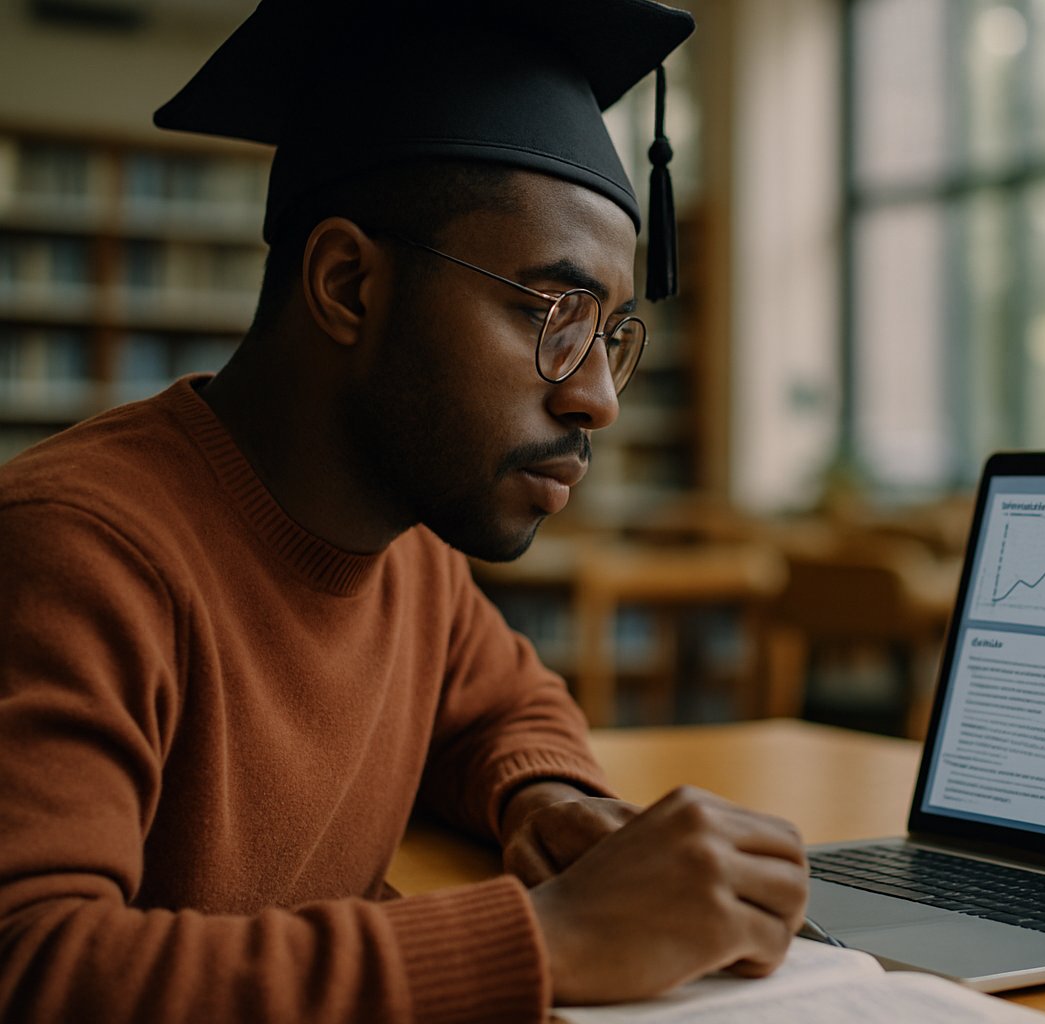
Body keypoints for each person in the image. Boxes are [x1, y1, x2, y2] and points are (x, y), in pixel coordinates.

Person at [0, 1, 808, 1020]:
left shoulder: (408, 552)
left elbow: (506, 708)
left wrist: (546, 798)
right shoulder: (77, 550)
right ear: (347, 285)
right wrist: (550, 938)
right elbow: (33, 965)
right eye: (552, 315)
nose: (597, 395)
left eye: (611, 334)